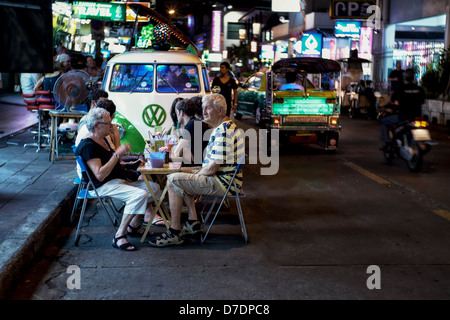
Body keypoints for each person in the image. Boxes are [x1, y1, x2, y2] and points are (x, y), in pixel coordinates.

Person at [149, 94, 244, 247]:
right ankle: (192, 222)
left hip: (222, 183)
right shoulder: (225, 127)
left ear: (220, 111)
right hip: (223, 178)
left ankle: (174, 232)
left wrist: (195, 174)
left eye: (208, 108)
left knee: (173, 179)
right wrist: (194, 173)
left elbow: (212, 168)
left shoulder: (224, 131)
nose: (204, 112)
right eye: (203, 108)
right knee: (179, 176)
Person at [75, 108, 161, 251]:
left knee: (154, 188)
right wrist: (117, 154)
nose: (112, 125)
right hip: (103, 185)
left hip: (117, 180)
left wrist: (130, 163)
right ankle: (119, 235)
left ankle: (134, 225)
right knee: (140, 194)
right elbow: (100, 174)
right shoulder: (88, 145)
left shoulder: (103, 140)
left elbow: (114, 164)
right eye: (108, 123)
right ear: (97, 125)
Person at [380, 68, 425, 146]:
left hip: (404, 117)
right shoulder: (420, 89)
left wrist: (382, 105)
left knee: (384, 121)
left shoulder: (401, 89)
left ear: (404, 78)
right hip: (417, 117)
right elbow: (422, 101)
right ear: (413, 77)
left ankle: (387, 142)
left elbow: (391, 99)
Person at [171, 98, 211, 165]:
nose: (176, 116)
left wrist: (184, 149)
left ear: (181, 112)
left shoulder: (191, 125)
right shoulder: (195, 122)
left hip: (201, 166)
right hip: (202, 164)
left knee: (170, 173)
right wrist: (186, 149)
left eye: (177, 113)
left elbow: (177, 153)